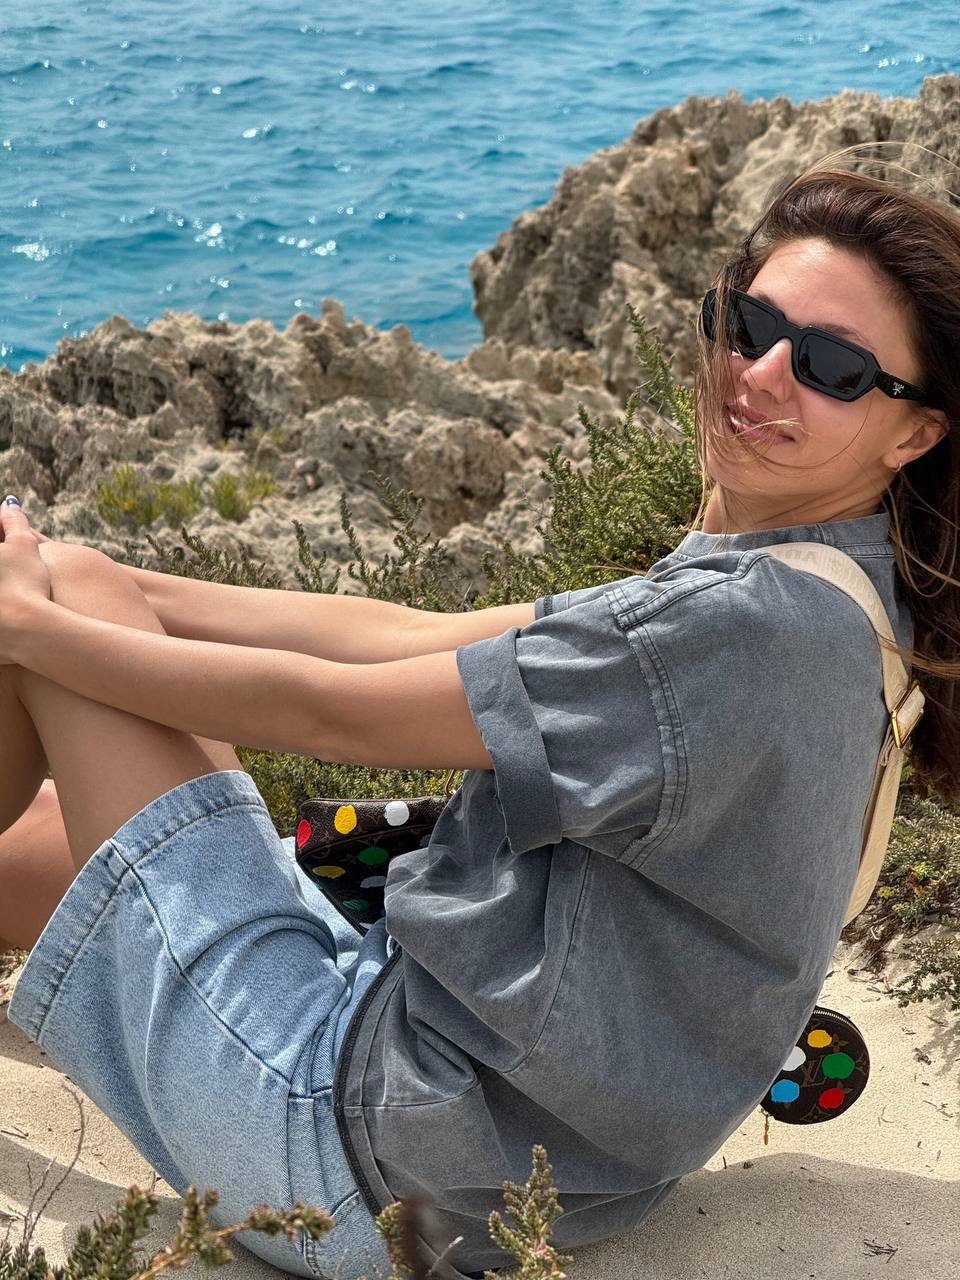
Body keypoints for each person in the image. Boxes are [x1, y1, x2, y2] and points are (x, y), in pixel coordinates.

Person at [1, 160, 958, 1280]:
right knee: (73, 708)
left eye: (834, 368)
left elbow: (332, 711)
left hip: (353, 1160)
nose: (761, 373)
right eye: (750, 325)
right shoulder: (829, 584)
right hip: (510, 1148)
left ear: (914, 433)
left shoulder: (740, 627)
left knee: (64, 628)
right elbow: (404, 631)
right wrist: (106, 581)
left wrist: (36, 615)